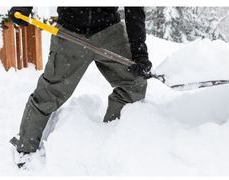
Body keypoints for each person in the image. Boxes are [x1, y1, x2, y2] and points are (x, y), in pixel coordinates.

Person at [8, 7, 152, 168]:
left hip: (110, 32)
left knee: (134, 85)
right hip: (70, 32)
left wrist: (140, 52)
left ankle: (114, 136)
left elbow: (134, 8)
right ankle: (25, 150)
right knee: (49, 94)